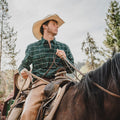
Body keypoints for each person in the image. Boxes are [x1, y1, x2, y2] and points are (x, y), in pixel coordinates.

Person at [18, 14, 74, 120]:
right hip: (40, 84)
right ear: (45, 26)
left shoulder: (64, 47)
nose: (57, 27)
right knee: (28, 112)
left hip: (63, 82)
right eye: (54, 24)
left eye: (57, 25)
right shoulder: (32, 48)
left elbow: (71, 69)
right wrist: (23, 71)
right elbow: (23, 66)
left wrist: (64, 58)